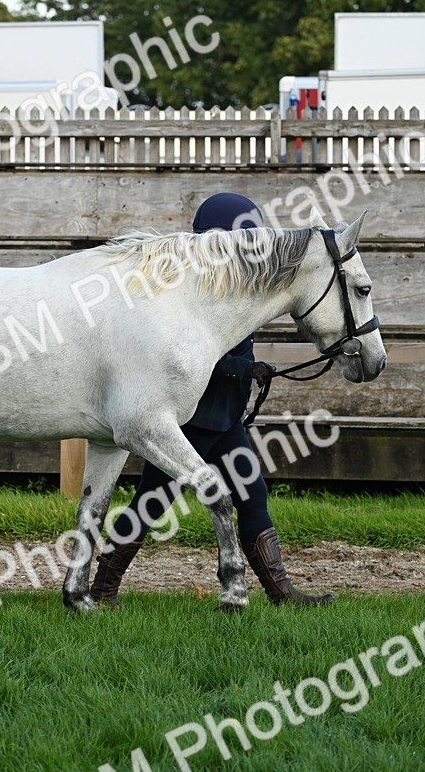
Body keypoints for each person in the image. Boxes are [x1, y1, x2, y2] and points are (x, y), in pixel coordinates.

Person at [90, 193, 334, 608]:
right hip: (189, 421)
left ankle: (281, 593)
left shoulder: (237, 287)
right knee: (152, 502)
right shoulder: (193, 292)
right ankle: (102, 588)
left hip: (225, 418)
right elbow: (187, 355)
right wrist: (243, 369)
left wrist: (248, 373)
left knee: (252, 494)